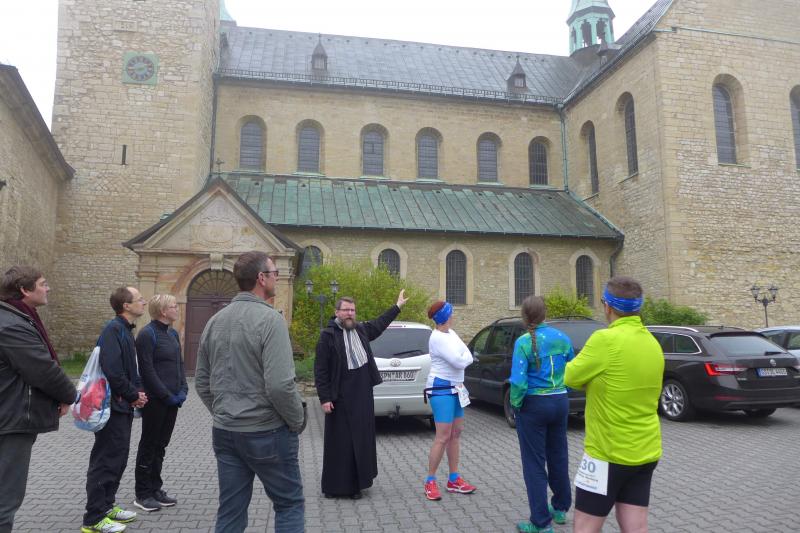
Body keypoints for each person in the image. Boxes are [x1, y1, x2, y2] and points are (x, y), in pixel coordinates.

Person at [195, 251, 305, 533]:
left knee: (230, 512)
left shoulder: (215, 321)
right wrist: (297, 420)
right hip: (267, 432)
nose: (277, 277)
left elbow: (202, 382)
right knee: (289, 505)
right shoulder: (271, 320)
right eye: (275, 273)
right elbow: (280, 385)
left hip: (226, 432)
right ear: (261, 278)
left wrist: (224, 412)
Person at [565, 276, 663, 533]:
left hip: (607, 454)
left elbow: (571, 377)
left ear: (607, 306)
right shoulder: (652, 343)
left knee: (584, 527)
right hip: (645, 450)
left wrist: (592, 381)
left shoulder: (604, 340)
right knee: (636, 527)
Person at [0, 266, 78, 533]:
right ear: (24, 289)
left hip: (8, 416)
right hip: (11, 420)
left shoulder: (15, 318)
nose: (48, 288)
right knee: (5, 499)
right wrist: (70, 395)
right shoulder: (12, 324)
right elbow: (42, 369)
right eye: (43, 284)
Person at [314, 290, 408, 499]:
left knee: (359, 440)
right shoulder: (327, 336)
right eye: (346, 310)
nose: (350, 314)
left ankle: (357, 485)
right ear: (337, 312)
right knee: (341, 443)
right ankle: (335, 487)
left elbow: (380, 323)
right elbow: (320, 369)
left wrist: (397, 306)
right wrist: (325, 398)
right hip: (340, 397)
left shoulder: (362, 330)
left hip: (362, 394)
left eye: (352, 310)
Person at [82, 286, 149, 533]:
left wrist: (138, 393)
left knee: (118, 458)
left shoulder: (125, 330)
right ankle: (94, 518)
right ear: (126, 306)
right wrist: (133, 394)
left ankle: (107, 506)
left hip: (123, 406)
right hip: (112, 408)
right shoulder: (113, 330)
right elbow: (113, 371)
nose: (144, 302)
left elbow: (131, 369)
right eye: (139, 299)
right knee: (106, 460)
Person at [509, 295, 575, 533]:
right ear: (545, 314)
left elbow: (518, 382)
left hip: (534, 405)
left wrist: (516, 405)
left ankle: (540, 522)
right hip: (560, 402)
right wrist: (564, 391)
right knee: (559, 455)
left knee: (534, 463)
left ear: (524, 316)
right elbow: (573, 369)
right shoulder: (562, 338)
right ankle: (560, 508)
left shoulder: (523, 342)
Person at [133, 294, 188, 512]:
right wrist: (165, 395)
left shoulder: (172, 333)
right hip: (156, 401)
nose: (177, 309)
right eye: (174, 306)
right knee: (149, 445)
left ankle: (156, 489)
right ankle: (142, 493)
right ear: (163, 311)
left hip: (172, 400)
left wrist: (183, 388)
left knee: (161, 445)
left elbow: (179, 364)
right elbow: (147, 370)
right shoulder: (147, 334)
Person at [423, 300, 475, 501]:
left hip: (457, 388)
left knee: (455, 433)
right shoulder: (437, 337)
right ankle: (430, 480)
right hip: (441, 389)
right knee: (442, 436)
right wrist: (464, 358)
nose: (453, 316)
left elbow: (466, 354)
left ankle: (454, 479)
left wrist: (464, 358)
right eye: (451, 313)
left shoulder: (451, 333)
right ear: (445, 316)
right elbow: (459, 361)